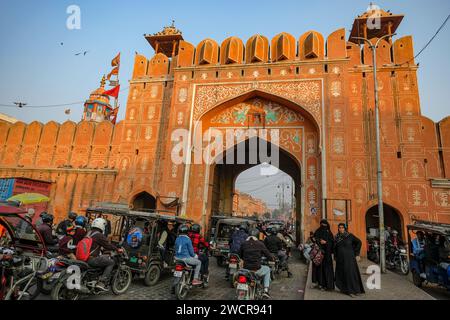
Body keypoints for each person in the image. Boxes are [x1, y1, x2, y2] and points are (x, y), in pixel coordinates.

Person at [85, 217, 123, 291]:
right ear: (101, 225)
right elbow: (108, 245)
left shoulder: (89, 233)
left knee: (104, 257)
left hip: (84, 257)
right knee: (111, 262)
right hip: (91, 259)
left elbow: (94, 245)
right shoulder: (99, 235)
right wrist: (117, 249)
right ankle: (101, 282)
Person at [239, 228, 274, 299]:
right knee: (267, 269)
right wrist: (272, 258)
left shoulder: (244, 243)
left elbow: (240, 255)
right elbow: (268, 255)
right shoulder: (260, 244)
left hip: (246, 269)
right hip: (256, 269)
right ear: (257, 236)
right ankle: (265, 290)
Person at [334, 223, 365, 297]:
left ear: (345, 228)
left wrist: (356, 253)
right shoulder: (336, 237)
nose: (341, 229)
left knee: (351, 274)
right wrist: (335, 257)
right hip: (340, 259)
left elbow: (359, 242)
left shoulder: (350, 236)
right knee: (343, 274)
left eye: (342, 227)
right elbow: (335, 248)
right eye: (339, 228)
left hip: (350, 259)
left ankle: (356, 290)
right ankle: (348, 291)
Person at [312, 219, 334, 291]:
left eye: (325, 225)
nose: (323, 226)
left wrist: (326, 242)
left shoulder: (329, 233)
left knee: (326, 269)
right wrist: (317, 240)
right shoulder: (318, 231)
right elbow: (314, 239)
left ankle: (327, 285)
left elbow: (332, 243)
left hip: (327, 255)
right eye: (322, 225)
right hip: (318, 254)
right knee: (318, 269)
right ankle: (319, 283)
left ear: (327, 225)